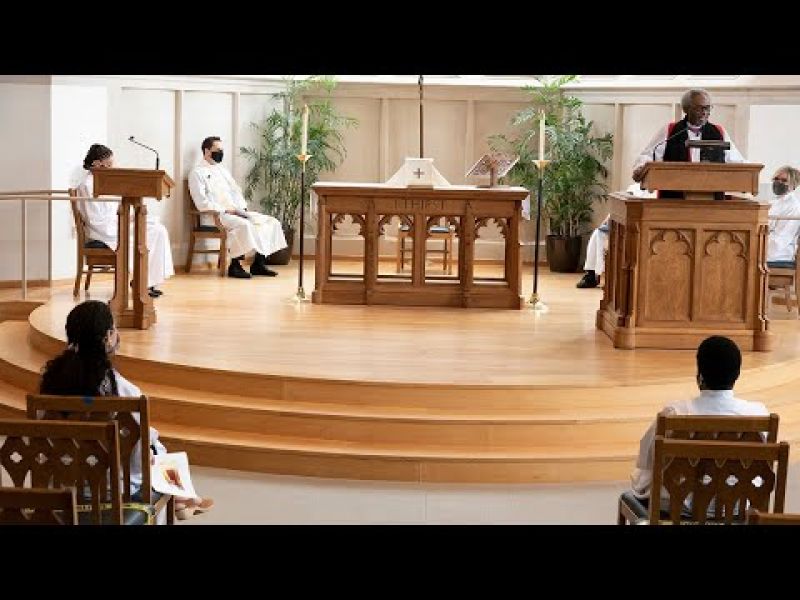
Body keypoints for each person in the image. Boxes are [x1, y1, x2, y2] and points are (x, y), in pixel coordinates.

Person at [39, 300, 214, 521]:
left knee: (154, 450)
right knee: (158, 455)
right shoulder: (121, 389)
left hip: (67, 485)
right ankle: (183, 500)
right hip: (114, 491)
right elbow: (136, 461)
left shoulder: (50, 383)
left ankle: (184, 500)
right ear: (107, 337)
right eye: (114, 330)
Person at [577, 88, 746, 288]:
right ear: (687, 109)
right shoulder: (670, 131)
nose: (705, 113)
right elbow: (647, 155)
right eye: (700, 108)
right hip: (674, 205)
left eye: (708, 108)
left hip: (710, 206)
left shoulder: (719, 132)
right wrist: (641, 167)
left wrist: (747, 171)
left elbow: (738, 161)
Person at [629, 335, 769, 511]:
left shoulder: (674, 414)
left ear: (700, 375)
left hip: (679, 506)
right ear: (737, 374)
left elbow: (647, 459)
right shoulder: (758, 414)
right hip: (736, 504)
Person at [72, 144, 174, 298]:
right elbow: (95, 219)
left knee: (158, 228)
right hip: (103, 232)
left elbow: (113, 208)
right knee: (151, 232)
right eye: (110, 164)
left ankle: (147, 281)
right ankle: (142, 282)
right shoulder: (87, 185)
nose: (113, 167)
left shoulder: (104, 181)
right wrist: (122, 220)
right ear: (96, 163)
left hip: (115, 223)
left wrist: (128, 216)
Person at [188, 136, 288, 279]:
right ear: (207, 150)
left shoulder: (223, 170)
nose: (221, 153)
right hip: (217, 215)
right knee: (244, 226)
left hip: (236, 211)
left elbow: (236, 191)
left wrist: (241, 208)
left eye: (222, 150)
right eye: (218, 150)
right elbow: (201, 202)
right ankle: (234, 266)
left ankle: (258, 264)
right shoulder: (197, 173)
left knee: (271, 222)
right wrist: (226, 210)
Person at [766, 165, 800, 268]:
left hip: (778, 254)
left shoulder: (794, 207)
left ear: (793, 185)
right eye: (776, 179)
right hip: (766, 246)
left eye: (784, 180)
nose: (778, 182)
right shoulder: (772, 202)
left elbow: (782, 239)